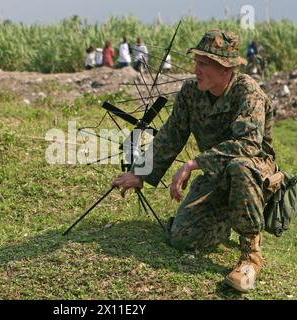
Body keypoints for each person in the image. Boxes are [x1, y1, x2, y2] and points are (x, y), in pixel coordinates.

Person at [112, 30, 278, 293]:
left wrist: (193, 164)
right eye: (196, 62)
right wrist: (140, 173)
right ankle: (222, 218)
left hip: (254, 171)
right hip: (216, 174)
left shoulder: (248, 92)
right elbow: (171, 134)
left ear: (225, 69)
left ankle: (250, 257)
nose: (196, 69)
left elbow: (248, 145)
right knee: (182, 238)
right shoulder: (191, 92)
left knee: (240, 166)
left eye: (204, 64)